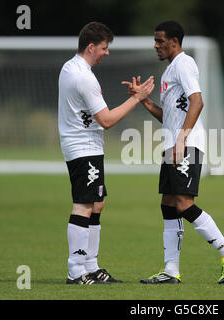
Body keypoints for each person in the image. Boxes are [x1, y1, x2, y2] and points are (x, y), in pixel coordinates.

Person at [123, 20, 224, 284]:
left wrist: (181, 140)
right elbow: (168, 116)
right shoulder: (169, 73)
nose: (156, 45)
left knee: (183, 203)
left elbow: (197, 101)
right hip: (173, 144)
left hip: (184, 144)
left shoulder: (184, 63)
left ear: (174, 42)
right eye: (155, 41)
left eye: (160, 41)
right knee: (168, 204)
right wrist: (143, 99)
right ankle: (170, 270)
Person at [58, 21, 154, 284]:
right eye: (103, 48)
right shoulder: (83, 77)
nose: (106, 52)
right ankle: (76, 271)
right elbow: (107, 120)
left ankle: (91, 265)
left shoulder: (71, 67)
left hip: (84, 146)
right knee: (84, 204)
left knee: (97, 202)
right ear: (91, 47)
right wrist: (137, 98)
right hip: (83, 147)